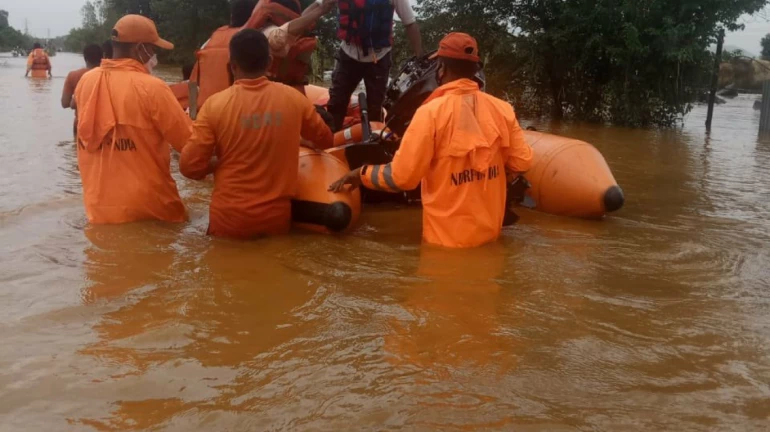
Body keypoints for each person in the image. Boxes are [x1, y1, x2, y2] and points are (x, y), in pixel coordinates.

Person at [329, 33, 533, 249]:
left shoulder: (430, 113)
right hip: (490, 239)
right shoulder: (503, 109)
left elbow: (402, 178)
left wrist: (361, 174)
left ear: (441, 68)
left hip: (445, 246)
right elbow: (522, 162)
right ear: (475, 70)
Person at [180, 29, 334, 239]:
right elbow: (326, 140)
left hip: (228, 222)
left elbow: (189, 168)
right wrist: (297, 140)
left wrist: (220, 162)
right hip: (275, 222)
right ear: (270, 61)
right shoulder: (294, 99)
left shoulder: (214, 106)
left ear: (233, 65)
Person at [75, 15, 193, 225]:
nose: (155, 55)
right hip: (154, 214)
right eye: (153, 49)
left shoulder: (86, 81)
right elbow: (191, 146)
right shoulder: (153, 88)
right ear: (140, 49)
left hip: (99, 214)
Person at [326, 0, 423, 131]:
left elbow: (410, 23)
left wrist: (420, 56)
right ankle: (329, 140)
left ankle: (373, 142)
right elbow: (320, 6)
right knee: (337, 102)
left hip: (379, 56)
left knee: (375, 108)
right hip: (349, 53)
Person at [244, 0, 337, 94]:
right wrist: (320, 11)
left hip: (288, 89)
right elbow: (279, 36)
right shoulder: (268, 33)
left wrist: (319, 3)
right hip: (270, 94)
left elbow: (301, 19)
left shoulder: (287, 29)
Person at [189, 0, 258, 108]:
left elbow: (193, 83)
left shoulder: (211, 40)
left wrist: (193, 116)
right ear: (255, 15)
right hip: (232, 111)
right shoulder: (255, 40)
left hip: (206, 109)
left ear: (231, 16)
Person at [62, 44, 103, 135]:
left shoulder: (73, 75)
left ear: (85, 58)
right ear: (102, 57)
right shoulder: (108, 75)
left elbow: (65, 103)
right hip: (104, 125)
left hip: (80, 123)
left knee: (76, 148)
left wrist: (81, 101)